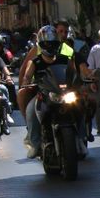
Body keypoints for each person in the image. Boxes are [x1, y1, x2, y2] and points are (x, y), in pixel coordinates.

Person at [19, 25, 74, 158]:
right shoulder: (35, 61)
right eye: (46, 44)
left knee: (79, 108)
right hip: (42, 94)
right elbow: (27, 76)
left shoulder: (64, 59)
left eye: (53, 44)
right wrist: (26, 83)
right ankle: (35, 143)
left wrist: (78, 83)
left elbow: (73, 74)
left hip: (63, 93)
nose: (50, 47)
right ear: (41, 44)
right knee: (31, 111)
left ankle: (81, 140)